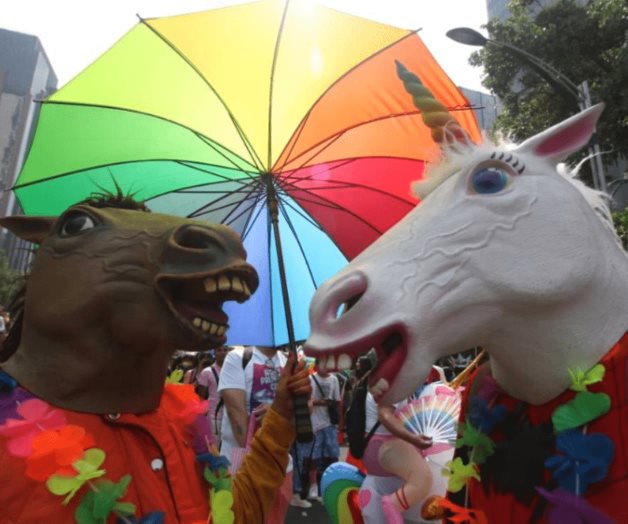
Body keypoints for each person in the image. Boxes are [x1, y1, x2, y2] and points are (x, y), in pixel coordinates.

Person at [218, 344, 292, 523]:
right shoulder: (237, 358)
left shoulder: (288, 363)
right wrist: (278, 412)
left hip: (281, 465)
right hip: (240, 463)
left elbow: (300, 412)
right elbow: (237, 418)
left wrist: (282, 409)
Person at [196, 345, 230, 442]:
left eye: (225, 350)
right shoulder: (207, 372)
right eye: (219, 350)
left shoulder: (233, 371)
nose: (223, 352)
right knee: (214, 448)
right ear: (214, 353)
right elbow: (200, 398)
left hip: (229, 416)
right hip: (214, 417)